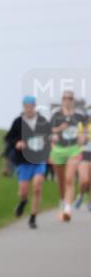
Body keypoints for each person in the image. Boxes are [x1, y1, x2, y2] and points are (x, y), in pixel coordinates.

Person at [4, 96, 52, 229]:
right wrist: (17, 143)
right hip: (23, 161)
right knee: (23, 191)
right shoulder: (18, 122)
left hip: (38, 159)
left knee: (37, 187)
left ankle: (33, 217)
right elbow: (9, 138)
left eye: (31, 106)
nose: (28, 109)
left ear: (34, 107)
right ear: (23, 107)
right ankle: (23, 202)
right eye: (26, 107)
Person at [48, 90, 87, 222]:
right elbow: (48, 130)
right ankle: (62, 200)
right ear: (62, 100)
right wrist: (59, 129)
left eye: (70, 98)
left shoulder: (79, 115)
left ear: (73, 100)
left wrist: (82, 137)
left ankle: (68, 209)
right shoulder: (56, 115)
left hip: (74, 149)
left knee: (69, 179)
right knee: (61, 180)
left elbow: (85, 129)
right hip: (59, 149)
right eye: (65, 98)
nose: (67, 100)